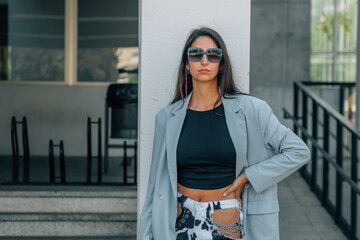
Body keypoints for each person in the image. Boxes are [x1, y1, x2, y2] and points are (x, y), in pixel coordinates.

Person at [138, 27, 311, 240]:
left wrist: (249, 176)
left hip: (226, 220)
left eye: (212, 55)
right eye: (195, 54)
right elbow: (155, 185)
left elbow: (299, 151)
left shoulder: (251, 110)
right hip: (180, 219)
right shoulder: (166, 118)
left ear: (221, 64)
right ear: (186, 64)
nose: (204, 61)